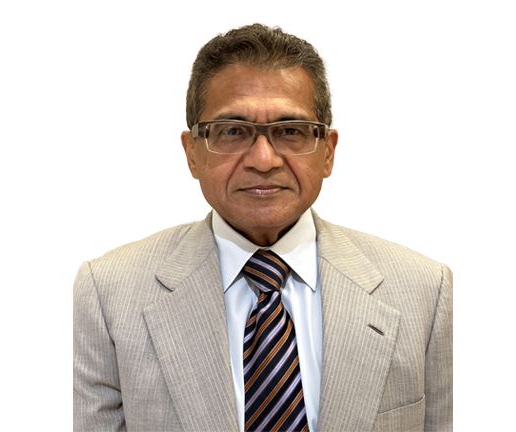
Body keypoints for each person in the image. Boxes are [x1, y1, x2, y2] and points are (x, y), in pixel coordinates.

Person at [73, 23, 452, 432]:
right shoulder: (106, 295)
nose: (264, 159)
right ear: (192, 153)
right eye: (232, 131)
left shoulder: (425, 291)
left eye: (290, 131)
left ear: (327, 152)